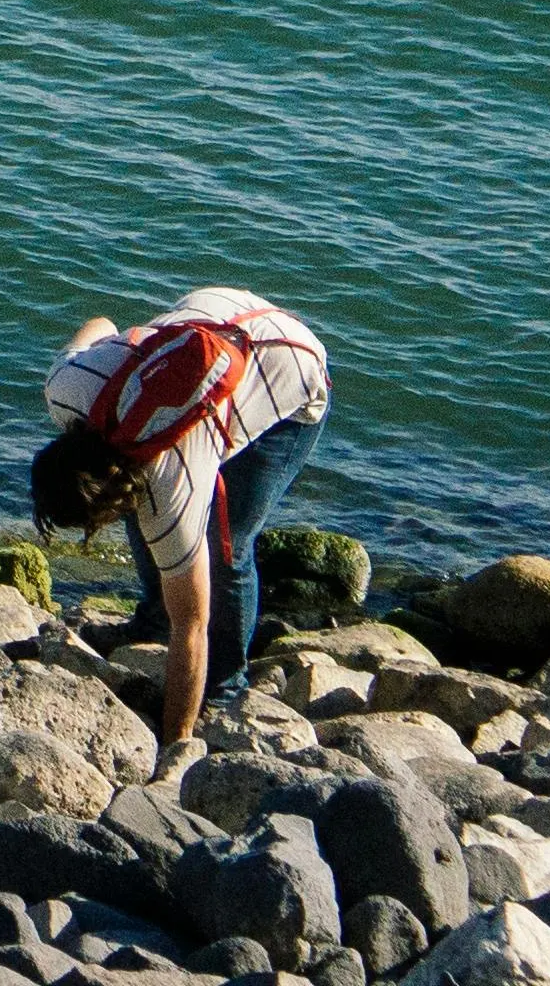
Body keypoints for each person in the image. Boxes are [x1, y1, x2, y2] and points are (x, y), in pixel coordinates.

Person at [35, 286, 333, 750]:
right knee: (150, 515)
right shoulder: (66, 390)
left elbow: (192, 626)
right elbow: (102, 324)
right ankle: (152, 620)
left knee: (226, 544)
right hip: (218, 308)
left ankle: (226, 685)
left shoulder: (174, 486)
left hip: (294, 372)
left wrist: (177, 744)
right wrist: (132, 347)